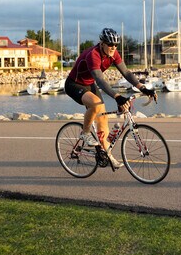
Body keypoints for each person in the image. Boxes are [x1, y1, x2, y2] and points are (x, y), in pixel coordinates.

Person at [65, 28, 156, 169]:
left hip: (89, 84)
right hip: (74, 84)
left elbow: (126, 72)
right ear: (102, 43)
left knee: (102, 120)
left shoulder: (113, 54)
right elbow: (100, 81)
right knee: (95, 104)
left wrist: (142, 87)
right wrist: (117, 96)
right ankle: (85, 133)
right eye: (110, 44)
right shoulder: (93, 55)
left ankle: (108, 155)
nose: (113, 48)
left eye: (115, 45)